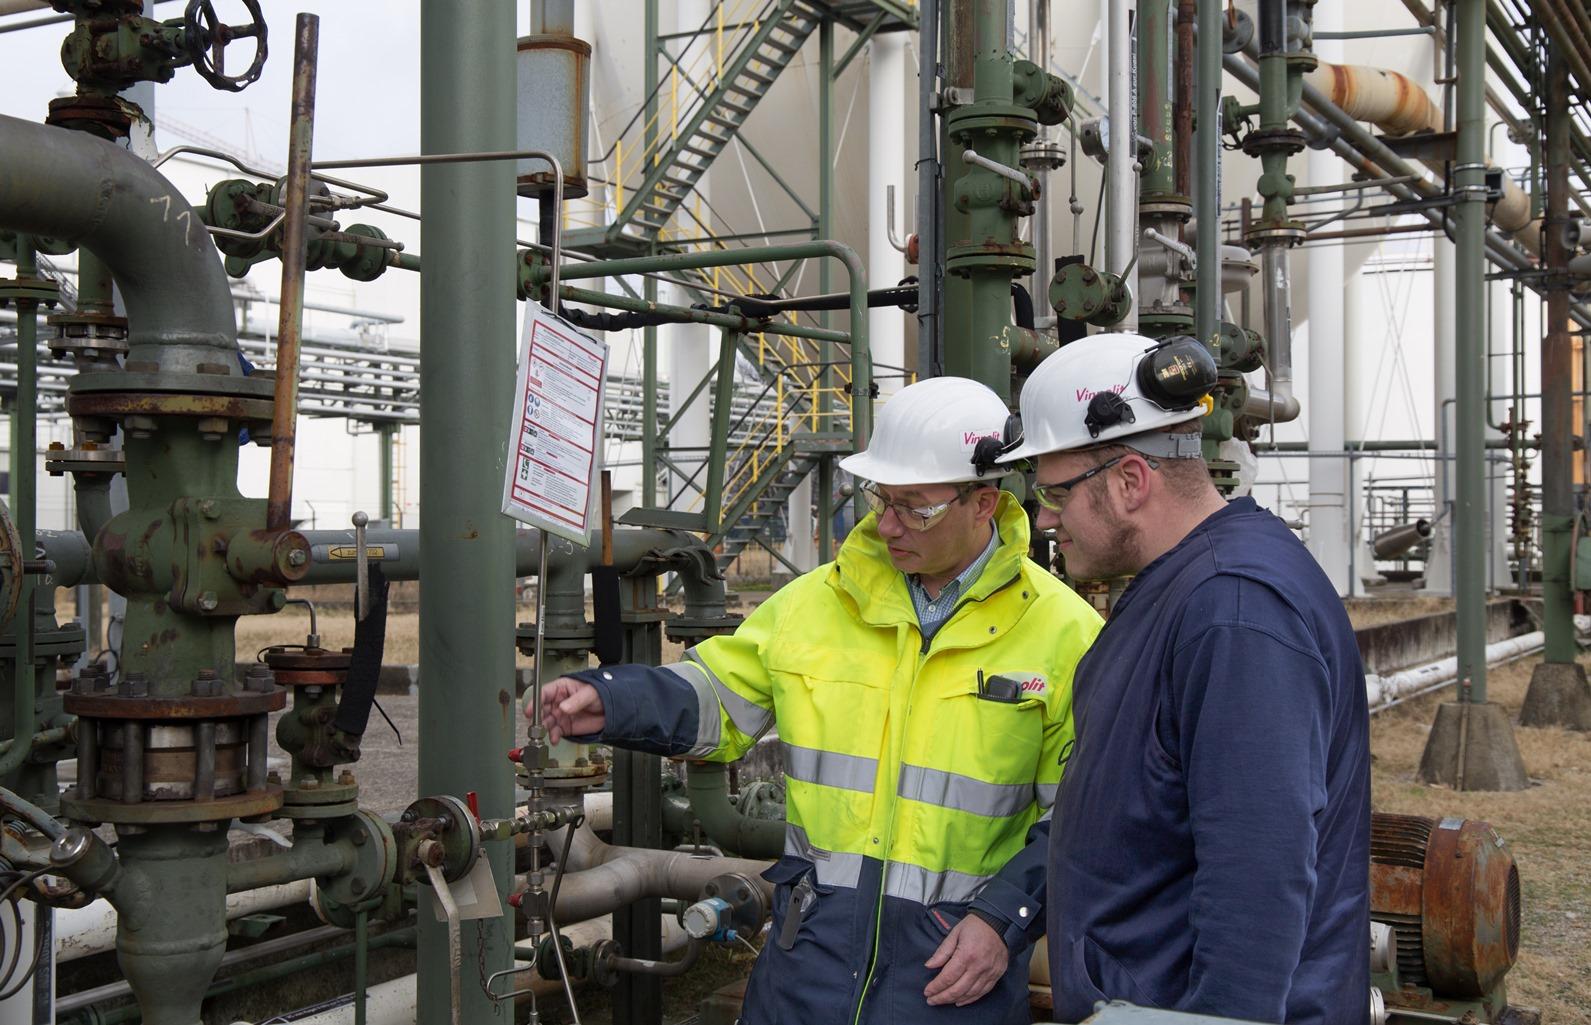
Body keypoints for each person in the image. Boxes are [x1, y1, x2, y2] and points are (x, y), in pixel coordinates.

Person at [533, 375, 1102, 1024]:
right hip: (809, 957)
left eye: (914, 506)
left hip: (951, 970)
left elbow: (1081, 819)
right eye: (880, 498)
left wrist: (1004, 918)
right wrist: (612, 699)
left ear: (984, 502)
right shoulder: (819, 602)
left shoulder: (1064, 634)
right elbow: (720, 690)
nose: (888, 524)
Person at [998, 333, 1371, 1025]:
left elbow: (1256, 875)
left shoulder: (1233, 610)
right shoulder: (1186, 585)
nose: (1044, 518)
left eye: (1053, 493)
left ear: (1130, 480)